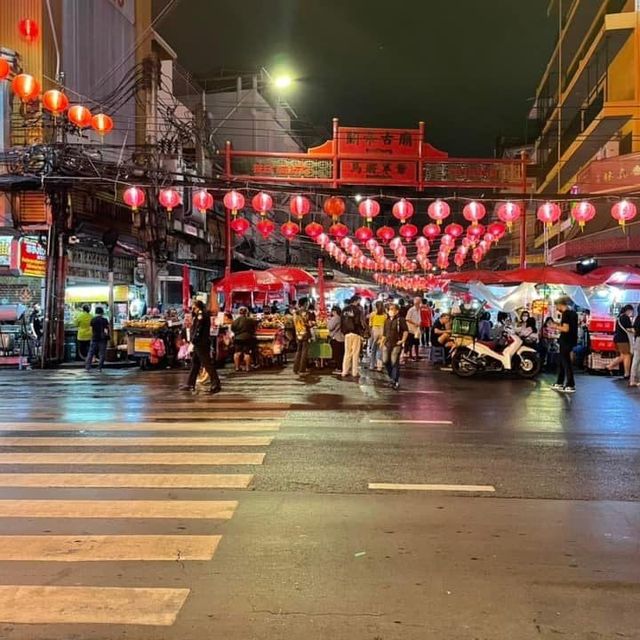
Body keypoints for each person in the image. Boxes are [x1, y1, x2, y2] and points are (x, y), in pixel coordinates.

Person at [182, 300, 221, 393]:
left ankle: (216, 384)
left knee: (207, 364)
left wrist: (194, 339)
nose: (192, 308)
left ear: (197, 306)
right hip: (198, 343)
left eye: (193, 306)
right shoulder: (199, 314)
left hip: (201, 343)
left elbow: (198, 329)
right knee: (195, 364)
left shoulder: (201, 315)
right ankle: (190, 384)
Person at [551, 296, 578, 393]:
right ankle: (560, 382)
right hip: (572, 340)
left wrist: (556, 326)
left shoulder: (566, 314)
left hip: (565, 340)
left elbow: (566, 329)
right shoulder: (573, 313)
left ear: (559, 305)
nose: (556, 308)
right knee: (562, 362)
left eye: (556, 306)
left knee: (566, 362)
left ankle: (570, 384)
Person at [382, 303, 409, 390]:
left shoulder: (400, 320)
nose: (391, 311)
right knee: (385, 361)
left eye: (393, 309)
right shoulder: (386, 320)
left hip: (396, 344)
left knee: (394, 361)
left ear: (397, 311)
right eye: (390, 309)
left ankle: (394, 380)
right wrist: (382, 343)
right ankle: (391, 376)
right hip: (387, 343)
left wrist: (402, 340)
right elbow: (384, 334)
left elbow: (405, 331)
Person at [340, 295, 366, 379]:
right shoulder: (357, 310)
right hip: (355, 333)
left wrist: (344, 332)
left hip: (347, 334)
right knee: (355, 353)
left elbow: (342, 322)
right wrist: (362, 332)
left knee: (347, 353)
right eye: (359, 301)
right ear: (356, 301)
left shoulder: (344, 309)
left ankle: (344, 371)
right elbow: (358, 322)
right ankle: (354, 372)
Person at [607, 304, 635, 379]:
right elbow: (629, 328)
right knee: (627, 355)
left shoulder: (620, 317)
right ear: (628, 310)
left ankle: (609, 366)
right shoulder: (625, 317)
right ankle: (626, 373)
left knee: (623, 355)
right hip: (623, 339)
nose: (632, 313)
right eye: (631, 311)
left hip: (618, 339)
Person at [231, 307, 257, 372]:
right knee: (247, 353)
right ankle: (247, 368)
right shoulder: (250, 320)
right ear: (246, 312)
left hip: (237, 338)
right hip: (247, 338)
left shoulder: (235, 320)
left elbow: (232, 329)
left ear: (239, 312)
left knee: (237, 353)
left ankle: (237, 367)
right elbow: (254, 328)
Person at [85, 306, 110, 372]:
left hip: (94, 338)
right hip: (102, 339)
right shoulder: (105, 320)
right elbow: (106, 330)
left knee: (91, 353)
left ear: (96, 312)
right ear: (102, 312)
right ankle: (99, 368)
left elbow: (90, 330)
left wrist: (92, 336)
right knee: (102, 353)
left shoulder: (93, 320)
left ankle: (88, 367)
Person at [292, 297, 312, 375]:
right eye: (307, 303)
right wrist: (312, 324)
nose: (308, 304)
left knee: (298, 351)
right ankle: (302, 369)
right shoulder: (305, 312)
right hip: (305, 333)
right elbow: (307, 323)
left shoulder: (295, 312)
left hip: (298, 333)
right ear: (305, 303)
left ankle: (295, 368)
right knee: (304, 352)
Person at [368, 300, 387, 371]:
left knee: (373, 350)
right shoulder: (385, 315)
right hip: (382, 331)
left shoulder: (372, 314)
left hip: (374, 331)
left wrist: (371, 334)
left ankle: (372, 366)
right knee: (380, 350)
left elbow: (370, 325)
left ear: (375, 306)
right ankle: (379, 366)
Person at [327, 305, 345, 373]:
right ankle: (340, 367)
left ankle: (339, 368)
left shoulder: (335, 318)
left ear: (334, 311)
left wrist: (328, 322)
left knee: (337, 354)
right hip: (341, 338)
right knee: (340, 354)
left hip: (336, 338)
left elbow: (330, 327)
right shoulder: (340, 318)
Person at [629, 305, 640, 387]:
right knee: (637, 360)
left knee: (636, 360)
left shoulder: (637, 318)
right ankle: (634, 380)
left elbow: (634, 329)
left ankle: (633, 380)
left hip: (637, 340)